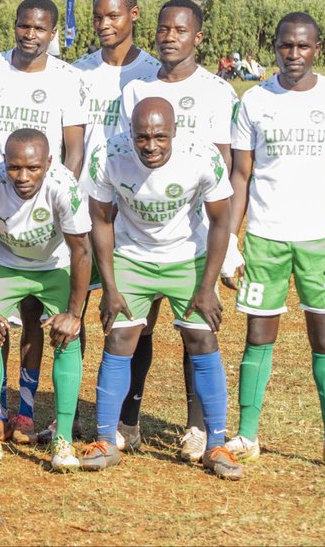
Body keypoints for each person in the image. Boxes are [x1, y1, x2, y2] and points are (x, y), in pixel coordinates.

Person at [224, 12, 325, 469]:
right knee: (258, 334)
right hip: (265, 237)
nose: (294, 54)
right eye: (286, 45)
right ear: (275, 47)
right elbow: (241, 175)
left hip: (321, 240)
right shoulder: (254, 100)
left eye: (303, 46)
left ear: (317, 49)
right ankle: (247, 435)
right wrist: (230, 241)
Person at [79, 97, 243, 481]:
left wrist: (207, 287)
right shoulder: (108, 153)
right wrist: (111, 286)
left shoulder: (202, 155)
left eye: (159, 137)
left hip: (188, 256)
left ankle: (215, 443)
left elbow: (221, 221)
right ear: (130, 134)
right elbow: (100, 221)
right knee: (119, 339)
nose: (150, 146)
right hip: (133, 255)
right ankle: (106, 439)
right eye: (142, 137)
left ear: (174, 132)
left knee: (202, 341)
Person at [113, 0, 240, 459]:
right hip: (138, 234)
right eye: (164, 29)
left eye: (180, 30)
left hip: (195, 234)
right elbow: (119, 157)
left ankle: (196, 428)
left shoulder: (216, 91)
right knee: (135, 330)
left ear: (197, 38)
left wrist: (229, 246)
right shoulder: (134, 88)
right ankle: (129, 420)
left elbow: (225, 167)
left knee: (195, 330)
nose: (169, 37)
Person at [0, 0, 87, 444]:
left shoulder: (69, 78)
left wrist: (53, 206)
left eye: (39, 29)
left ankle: (27, 409)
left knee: (36, 317)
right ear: (14, 26)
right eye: (23, 26)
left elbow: (75, 150)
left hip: (45, 218)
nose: (29, 34)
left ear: (53, 34)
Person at [0, 129, 91, 471]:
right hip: (5, 261)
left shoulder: (64, 185)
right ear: (4, 163)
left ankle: (63, 443)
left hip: (55, 262)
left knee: (67, 336)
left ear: (48, 163)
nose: (23, 176)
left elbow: (82, 250)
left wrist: (74, 314)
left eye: (32, 168)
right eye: (15, 167)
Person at [66, 0, 160, 446]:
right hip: (86, 210)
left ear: (134, 15)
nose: (104, 25)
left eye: (114, 16)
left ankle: (129, 416)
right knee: (76, 313)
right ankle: (75, 410)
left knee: (136, 323)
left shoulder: (155, 74)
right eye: (98, 16)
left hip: (139, 215)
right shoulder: (76, 72)